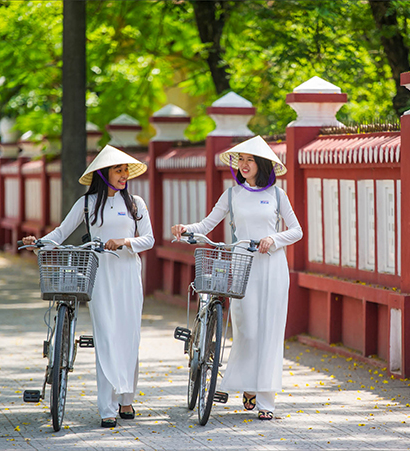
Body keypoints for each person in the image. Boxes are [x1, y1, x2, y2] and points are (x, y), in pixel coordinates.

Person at [22, 145, 154, 428]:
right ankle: (106, 407)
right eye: (118, 170)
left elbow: (149, 240)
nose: (123, 175)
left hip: (129, 275)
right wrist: (40, 242)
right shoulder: (87, 203)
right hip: (99, 276)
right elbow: (60, 232)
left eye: (125, 170)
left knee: (129, 336)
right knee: (106, 337)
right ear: (103, 173)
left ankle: (126, 398)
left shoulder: (136, 204)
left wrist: (124, 242)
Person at [172, 136, 302, 420]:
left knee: (269, 332)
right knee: (247, 330)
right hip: (243, 266)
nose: (243, 165)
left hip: (272, 268)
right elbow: (207, 224)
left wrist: (273, 238)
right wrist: (185, 228)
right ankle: (248, 385)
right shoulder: (232, 195)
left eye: (249, 160)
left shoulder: (278, 196)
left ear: (262, 164)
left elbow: (296, 230)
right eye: (240, 160)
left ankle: (266, 401)